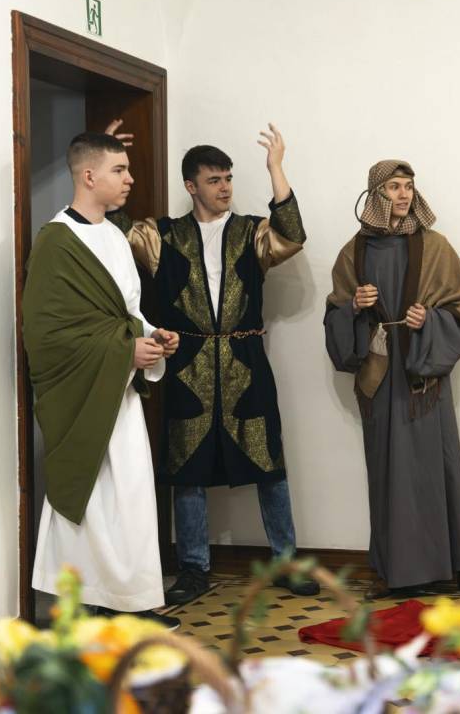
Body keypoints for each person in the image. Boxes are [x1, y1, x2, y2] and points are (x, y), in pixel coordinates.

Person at [105, 120, 319, 603]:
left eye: (228, 178)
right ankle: (194, 568)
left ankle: (286, 562)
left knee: (269, 463)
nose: (224, 188)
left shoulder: (251, 232)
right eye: (214, 180)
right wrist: (114, 162)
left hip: (246, 361)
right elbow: (113, 234)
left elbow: (292, 234)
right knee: (187, 468)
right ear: (191, 186)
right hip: (187, 364)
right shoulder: (162, 235)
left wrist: (276, 168)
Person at [24, 132, 180, 628]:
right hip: (83, 394)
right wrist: (123, 349)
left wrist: (153, 336)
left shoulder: (114, 235)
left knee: (129, 499)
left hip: (119, 389)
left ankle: (127, 600)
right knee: (90, 498)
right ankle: (82, 602)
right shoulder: (56, 241)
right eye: (120, 170)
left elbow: (126, 313)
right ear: (89, 176)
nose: (130, 178)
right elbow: (47, 335)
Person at [324, 159, 460, 600]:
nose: (403, 194)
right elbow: (334, 313)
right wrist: (355, 306)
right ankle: (395, 570)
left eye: (408, 186)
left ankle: (453, 564)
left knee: (436, 467)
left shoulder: (435, 247)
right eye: (393, 187)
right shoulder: (354, 252)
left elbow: (457, 309)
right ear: (376, 194)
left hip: (421, 376)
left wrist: (428, 319)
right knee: (387, 472)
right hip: (380, 375)